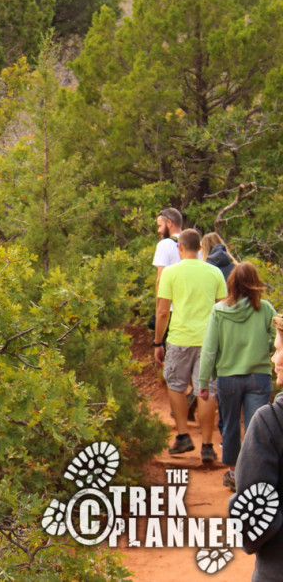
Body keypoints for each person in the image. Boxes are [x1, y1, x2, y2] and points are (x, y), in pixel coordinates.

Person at [197, 262, 276, 491]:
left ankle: (233, 473)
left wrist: (204, 382)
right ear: (255, 282)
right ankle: (254, 475)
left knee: (230, 425)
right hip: (258, 377)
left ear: (231, 282)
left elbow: (210, 349)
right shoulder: (266, 309)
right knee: (256, 427)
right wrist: (265, 347)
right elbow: (276, 336)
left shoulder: (219, 310)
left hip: (227, 378)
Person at [154, 228, 227, 461]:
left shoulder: (171, 273)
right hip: (209, 341)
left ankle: (184, 436)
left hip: (179, 339)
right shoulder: (214, 272)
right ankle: (207, 445)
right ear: (200, 248)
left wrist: (157, 342)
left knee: (176, 385)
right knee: (206, 390)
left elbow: (163, 311)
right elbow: (224, 308)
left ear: (180, 248)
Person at [231, 314, 283, 580]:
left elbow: (251, 525)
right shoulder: (263, 307)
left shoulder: (271, 422)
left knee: (231, 425)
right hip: (256, 382)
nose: (276, 359)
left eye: (278, 350)